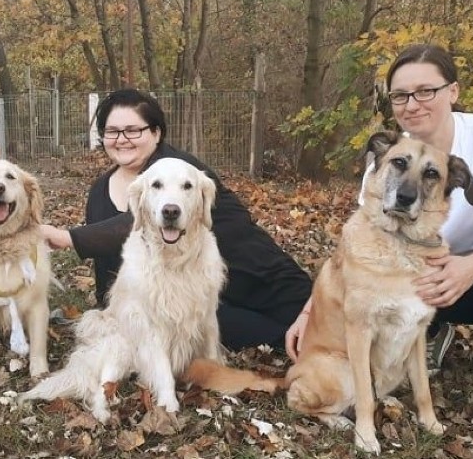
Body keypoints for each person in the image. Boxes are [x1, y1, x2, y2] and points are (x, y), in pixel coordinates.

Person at [285, 43, 473, 433]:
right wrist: (308, 313)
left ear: (453, 91)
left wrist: (469, 269)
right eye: (400, 95)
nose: (412, 104)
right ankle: (431, 329)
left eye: (425, 91)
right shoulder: (386, 164)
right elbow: (352, 257)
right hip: (425, 280)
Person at [41, 88, 313, 350]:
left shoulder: (181, 172)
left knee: (317, 327)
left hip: (257, 275)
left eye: (133, 130)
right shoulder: (101, 190)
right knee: (261, 335)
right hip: (192, 298)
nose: (122, 139)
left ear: (156, 132)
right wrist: (112, 309)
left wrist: (68, 237)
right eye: (112, 131)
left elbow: (134, 224)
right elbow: (110, 267)